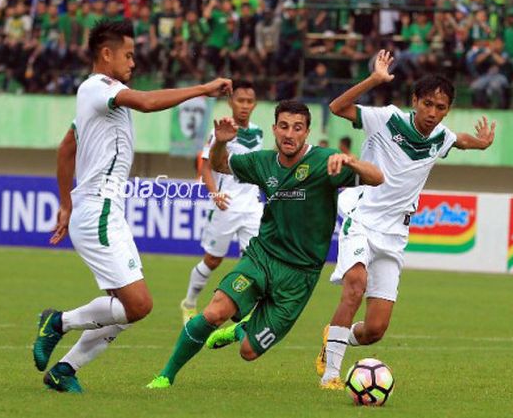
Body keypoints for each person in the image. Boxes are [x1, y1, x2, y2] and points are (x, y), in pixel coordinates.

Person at [32, 19, 232, 393]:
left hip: (105, 210)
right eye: (128, 54)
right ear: (106, 54)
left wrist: (64, 205)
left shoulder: (98, 97)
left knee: (123, 309)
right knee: (138, 304)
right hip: (99, 211)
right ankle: (57, 322)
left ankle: (64, 370)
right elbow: (145, 102)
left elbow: (65, 149)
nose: (133, 62)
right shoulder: (97, 88)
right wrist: (204, 89)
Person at [145, 100, 384, 390]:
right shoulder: (262, 162)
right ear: (274, 128)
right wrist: (220, 143)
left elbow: (377, 177)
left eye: (297, 128)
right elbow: (220, 163)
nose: (289, 134)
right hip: (262, 257)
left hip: (300, 276)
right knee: (214, 312)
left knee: (248, 351)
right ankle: (165, 376)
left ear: (307, 132)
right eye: (283, 126)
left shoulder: (326, 160)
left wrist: (351, 161)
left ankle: (243, 329)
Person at [316, 50, 496, 389]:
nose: (432, 113)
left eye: (440, 108)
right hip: (362, 216)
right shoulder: (387, 118)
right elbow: (337, 108)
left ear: (447, 111)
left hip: (395, 234)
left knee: (374, 331)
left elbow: (461, 141)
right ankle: (331, 375)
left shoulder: (441, 137)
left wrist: (482, 144)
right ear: (415, 100)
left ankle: (335, 338)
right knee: (355, 285)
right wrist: (374, 79)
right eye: (427, 104)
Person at [180, 80, 264, 324]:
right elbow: (205, 167)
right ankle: (189, 303)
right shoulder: (219, 133)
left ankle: (244, 311)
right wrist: (215, 193)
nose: (245, 106)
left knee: (255, 261)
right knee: (213, 261)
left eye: (249, 101)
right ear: (231, 102)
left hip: (252, 208)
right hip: (225, 205)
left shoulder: (258, 133)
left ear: (255, 104)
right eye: (240, 100)